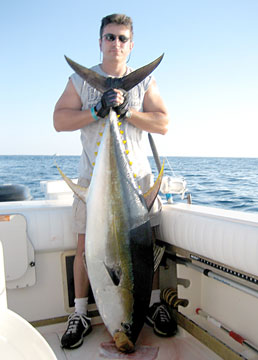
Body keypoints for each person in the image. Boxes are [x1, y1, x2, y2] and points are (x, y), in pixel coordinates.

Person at [53, 13, 176, 350]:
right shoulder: (79, 82)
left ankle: (149, 305)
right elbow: (59, 120)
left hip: (136, 183)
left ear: (131, 45)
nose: (116, 44)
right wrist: (96, 112)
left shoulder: (144, 83)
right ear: (100, 42)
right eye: (110, 37)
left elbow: (163, 123)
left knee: (142, 250)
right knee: (84, 248)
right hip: (94, 180)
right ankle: (79, 313)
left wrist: (127, 113)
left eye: (122, 39)